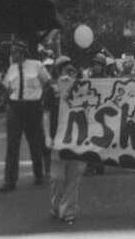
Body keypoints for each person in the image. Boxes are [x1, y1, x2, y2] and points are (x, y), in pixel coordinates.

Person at [0, 40, 51, 193]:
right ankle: (9, 180)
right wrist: (5, 101)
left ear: (22, 53)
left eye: (14, 52)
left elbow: (47, 83)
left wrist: (43, 101)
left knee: (35, 142)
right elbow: (7, 88)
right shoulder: (11, 68)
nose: (12, 55)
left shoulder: (36, 65)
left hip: (32, 107)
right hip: (15, 108)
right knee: (12, 145)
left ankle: (38, 174)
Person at [43, 55, 85, 223]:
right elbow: (45, 113)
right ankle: (55, 204)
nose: (67, 69)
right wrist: (46, 135)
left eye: (69, 66)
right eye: (63, 67)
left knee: (73, 176)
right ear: (57, 70)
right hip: (56, 137)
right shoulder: (51, 88)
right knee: (57, 177)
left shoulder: (78, 86)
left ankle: (68, 210)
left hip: (74, 137)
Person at [84, 53, 107, 176]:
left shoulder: (108, 80)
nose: (97, 67)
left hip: (103, 114)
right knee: (90, 140)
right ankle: (90, 165)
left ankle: (99, 165)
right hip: (91, 113)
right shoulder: (89, 80)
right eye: (95, 65)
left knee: (101, 140)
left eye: (99, 65)